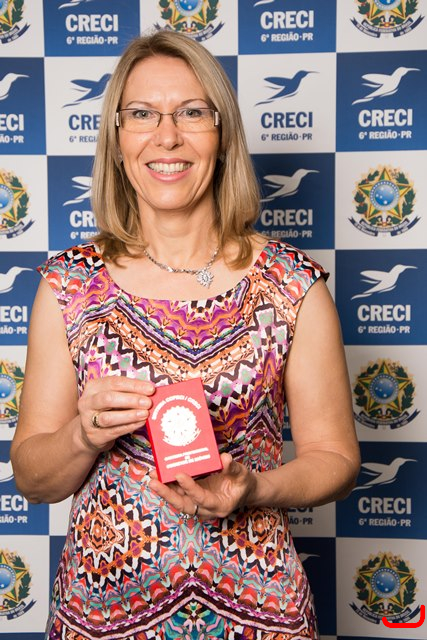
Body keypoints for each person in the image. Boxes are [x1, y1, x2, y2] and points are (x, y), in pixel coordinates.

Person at [11, 30, 360, 640]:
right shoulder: (69, 285)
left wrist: (257, 487)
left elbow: (336, 460)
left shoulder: (290, 283)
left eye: (192, 112)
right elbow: (32, 478)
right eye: (142, 114)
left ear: (223, 137)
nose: (166, 136)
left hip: (259, 611)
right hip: (102, 615)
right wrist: (81, 435)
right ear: (118, 138)